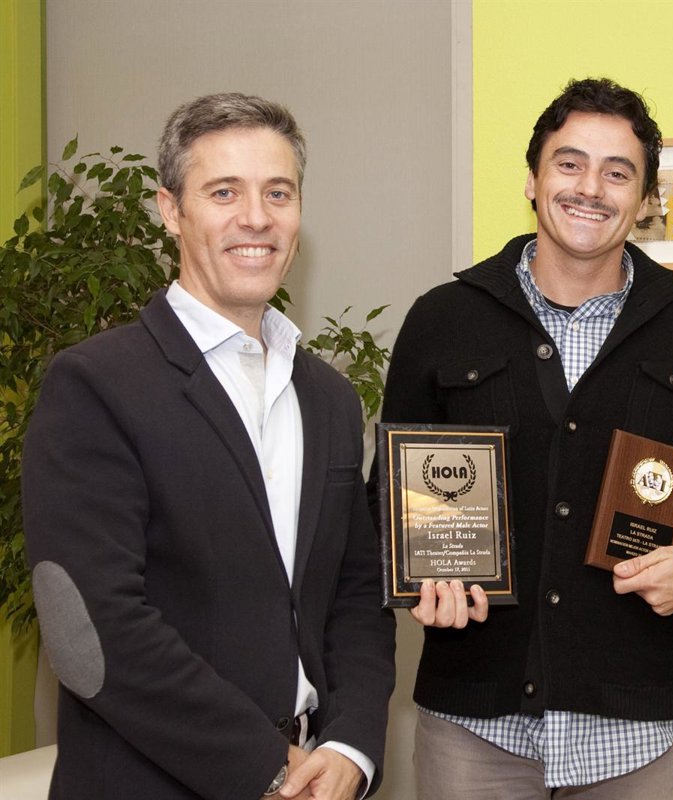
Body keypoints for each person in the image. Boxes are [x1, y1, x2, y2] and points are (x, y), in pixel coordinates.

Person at [373, 77, 673, 798]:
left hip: (636, 733)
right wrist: (417, 582)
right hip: (473, 726)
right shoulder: (442, 319)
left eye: (618, 172)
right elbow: (388, 503)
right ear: (533, 180)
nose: (591, 187)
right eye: (570, 163)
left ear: (645, 200)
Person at [22, 93, 396, 800]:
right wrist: (268, 768)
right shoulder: (96, 384)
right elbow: (92, 630)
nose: (256, 217)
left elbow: (354, 594)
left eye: (278, 192)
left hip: (316, 774)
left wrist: (350, 745)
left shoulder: (330, 398)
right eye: (224, 192)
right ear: (170, 210)